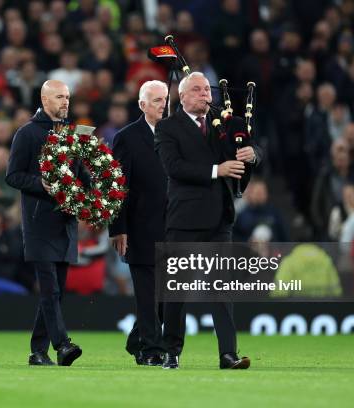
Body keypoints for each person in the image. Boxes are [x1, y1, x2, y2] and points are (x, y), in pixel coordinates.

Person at [154, 72, 260, 369]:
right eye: (198, 90)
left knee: (221, 289)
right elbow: (174, 168)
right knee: (176, 290)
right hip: (184, 219)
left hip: (219, 219)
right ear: (183, 96)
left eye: (207, 90)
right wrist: (217, 170)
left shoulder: (224, 122)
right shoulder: (167, 127)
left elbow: (252, 145)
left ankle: (228, 354)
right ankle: (171, 351)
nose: (205, 95)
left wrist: (253, 154)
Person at [6, 80, 85, 367]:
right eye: (60, 97)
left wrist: (97, 193)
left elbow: (79, 174)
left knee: (58, 292)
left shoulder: (72, 133)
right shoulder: (26, 133)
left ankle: (37, 352)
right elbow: (12, 176)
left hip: (65, 222)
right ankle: (62, 345)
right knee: (50, 289)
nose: (66, 102)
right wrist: (42, 184)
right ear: (44, 98)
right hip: (39, 223)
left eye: (68, 97)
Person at [108, 80, 168, 366]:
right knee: (147, 293)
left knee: (165, 297)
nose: (163, 105)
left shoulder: (175, 133)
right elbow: (118, 185)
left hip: (173, 226)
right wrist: (118, 227)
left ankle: (137, 339)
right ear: (142, 105)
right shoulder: (126, 137)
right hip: (141, 228)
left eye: (165, 99)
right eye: (157, 100)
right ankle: (151, 350)